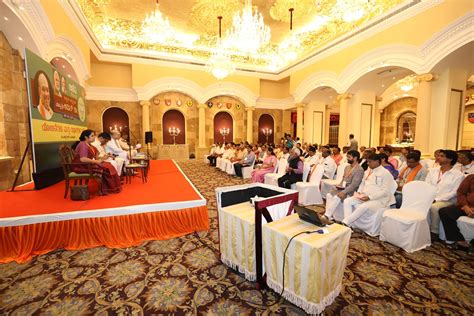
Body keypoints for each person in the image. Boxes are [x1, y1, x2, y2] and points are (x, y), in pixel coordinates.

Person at [342, 153, 395, 227]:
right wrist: (359, 192)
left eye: (369, 162)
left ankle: (345, 223)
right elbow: (363, 182)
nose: (367, 163)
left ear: (377, 161)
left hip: (379, 200)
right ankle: (349, 224)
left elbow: (385, 191)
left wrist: (370, 197)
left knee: (363, 206)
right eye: (367, 161)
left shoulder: (385, 173)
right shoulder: (368, 171)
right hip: (365, 196)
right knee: (347, 201)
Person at [425, 150, 464, 235]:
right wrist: (429, 197)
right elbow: (427, 186)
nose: (438, 157)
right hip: (431, 197)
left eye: (442, 156)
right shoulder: (432, 171)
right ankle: (424, 229)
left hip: (448, 200)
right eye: (438, 155)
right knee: (423, 204)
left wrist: (437, 199)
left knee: (434, 207)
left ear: (450, 159)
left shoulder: (458, 175)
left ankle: (434, 232)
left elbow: (454, 193)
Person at [73, 130, 121, 195]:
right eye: (92, 136)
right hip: (81, 166)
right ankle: (106, 189)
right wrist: (96, 161)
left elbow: (96, 156)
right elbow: (83, 159)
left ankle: (111, 187)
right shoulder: (83, 144)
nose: (94, 137)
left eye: (94, 135)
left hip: (87, 165)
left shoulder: (89, 145)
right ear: (86, 137)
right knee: (104, 167)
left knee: (108, 165)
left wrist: (103, 157)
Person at [324, 150, 364, 221]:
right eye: (347, 157)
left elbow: (354, 185)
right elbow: (343, 179)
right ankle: (331, 216)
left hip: (351, 191)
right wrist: (338, 186)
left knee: (337, 196)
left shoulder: (359, 169)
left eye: (349, 157)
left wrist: (344, 192)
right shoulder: (347, 167)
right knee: (329, 195)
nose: (347, 158)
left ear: (355, 158)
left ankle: (327, 215)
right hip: (342, 188)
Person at [439, 174, 474, 252]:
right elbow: (461, 193)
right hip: (466, 207)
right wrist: (465, 206)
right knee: (445, 212)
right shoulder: (471, 177)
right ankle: (458, 239)